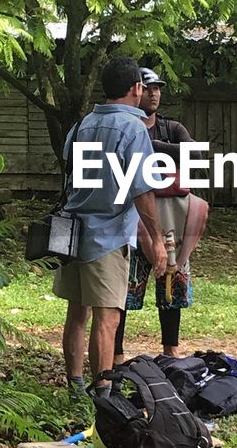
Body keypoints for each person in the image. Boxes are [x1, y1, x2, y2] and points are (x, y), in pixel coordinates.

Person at [54, 56, 167, 396]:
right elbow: (143, 190)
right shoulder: (133, 128)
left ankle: (75, 384)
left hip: (72, 234)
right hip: (107, 237)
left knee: (77, 312)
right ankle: (102, 390)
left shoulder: (83, 124)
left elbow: (68, 169)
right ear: (136, 88)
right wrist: (157, 239)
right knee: (108, 318)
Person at [113, 67, 208, 363]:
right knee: (124, 285)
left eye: (158, 88)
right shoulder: (124, 128)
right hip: (130, 215)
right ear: (137, 91)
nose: (154, 93)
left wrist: (152, 145)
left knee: (172, 277)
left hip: (170, 219)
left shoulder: (171, 128)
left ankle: (170, 349)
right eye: (149, 87)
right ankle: (115, 353)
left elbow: (197, 155)